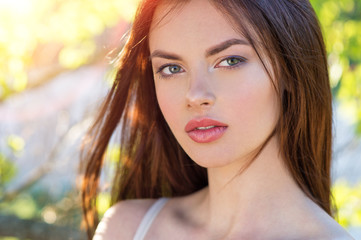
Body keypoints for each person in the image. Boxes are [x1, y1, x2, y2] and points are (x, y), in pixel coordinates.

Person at [81, 0, 354, 239]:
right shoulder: (127, 229)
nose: (196, 95)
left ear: (290, 72)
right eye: (171, 68)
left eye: (230, 61)